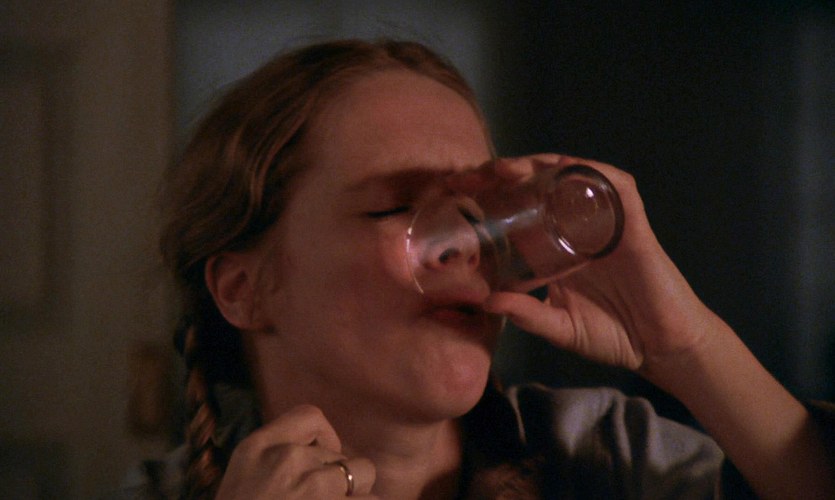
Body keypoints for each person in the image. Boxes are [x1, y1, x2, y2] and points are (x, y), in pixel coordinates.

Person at [130, 38, 834, 499]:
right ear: (245, 288)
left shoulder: (606, 458)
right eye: (398, 207)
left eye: (474, 213)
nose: (468, 245)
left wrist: (683, 345)